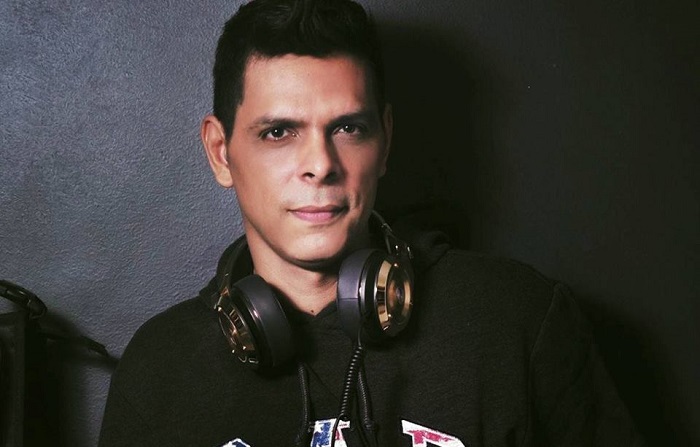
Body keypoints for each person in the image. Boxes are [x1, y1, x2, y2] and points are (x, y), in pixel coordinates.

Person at [99, 0, 644, 446]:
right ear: (221, 152)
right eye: (279, 132)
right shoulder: (159, 372)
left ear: (384, 140)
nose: (321, 165)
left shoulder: (518, 322)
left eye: (348, 128)